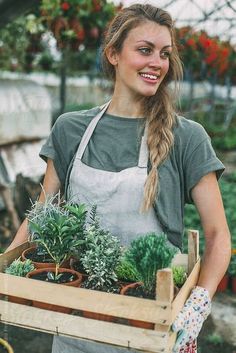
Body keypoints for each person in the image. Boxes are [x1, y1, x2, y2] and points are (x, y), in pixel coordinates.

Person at [6, 4, 231, 353]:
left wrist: (197, 305)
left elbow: (218, 236)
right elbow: (39, 219)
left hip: (153, 329)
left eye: (164, 54)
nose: (157, 62)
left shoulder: (186, 137)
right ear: (113, 53)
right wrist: (7, 273)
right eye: (145, 50)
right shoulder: (71, 129)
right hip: (75, 322)